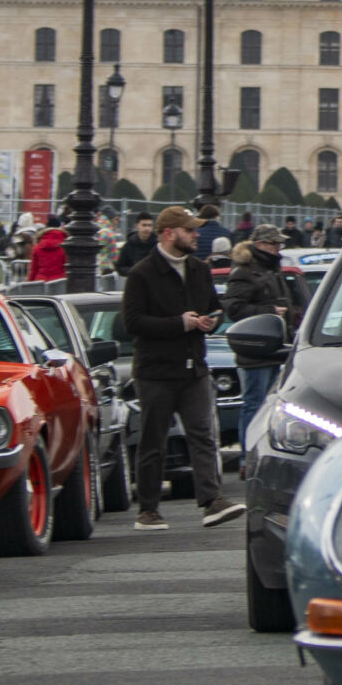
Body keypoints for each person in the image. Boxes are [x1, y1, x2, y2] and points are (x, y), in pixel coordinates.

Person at [121, 205, 241, 530]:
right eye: (190, 230)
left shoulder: (199, 270)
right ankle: (148, 510)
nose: (196, 234)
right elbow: (133, 323)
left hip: (194, 369)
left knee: (203, 434)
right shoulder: (142, 273)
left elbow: (214, 309)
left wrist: (210, 322)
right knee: (153, 440)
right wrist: (179, 323)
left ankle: (212, 501)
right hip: (156, 372)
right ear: (169, 233)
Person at [223, 230, 291, 446]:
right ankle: (248, 456)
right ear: (261, 244)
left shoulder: (272, 269)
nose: (278, 249)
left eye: (280, 245)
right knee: (254, 405)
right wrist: (269, 310)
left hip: (275, 349)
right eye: (274, 244)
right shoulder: (244, 272)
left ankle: (265, 450)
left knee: (271, 407)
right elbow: (233, 309)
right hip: (254, 349)